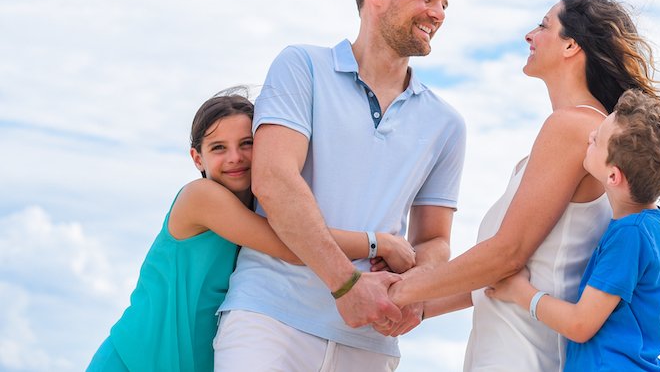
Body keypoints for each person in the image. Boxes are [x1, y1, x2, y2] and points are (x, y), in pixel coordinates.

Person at [214, 0, 466, 371]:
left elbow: (433, 240)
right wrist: (346, 285)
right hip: (270, 320)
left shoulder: (447, 124)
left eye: (444, 3)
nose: (439, 13)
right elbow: (273, 181)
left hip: (370, 340)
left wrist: (413, 295)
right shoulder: (302, 67)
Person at [382, 0, 660, 371]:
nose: (530, 35)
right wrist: (420, 307)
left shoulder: (572, 127)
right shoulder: (584, 133)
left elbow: (506, 255)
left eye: (543, 26)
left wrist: (398, 291)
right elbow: (504, 277)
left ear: (570, 47)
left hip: (527, 354)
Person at [86, 91, 414, 372]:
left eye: (247, 143)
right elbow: (295, 246)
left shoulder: (262, 209)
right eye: (218, 148)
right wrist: (378, 243)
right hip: (134, 359)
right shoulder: (200, 198)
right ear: (197, 158)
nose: (235, 158)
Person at [486, 89, 660, 372]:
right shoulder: (655, 228)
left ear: (613, 175)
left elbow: (580, 324)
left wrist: (519, 292)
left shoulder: (630, 235)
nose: (589, 137)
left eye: (597, 139)